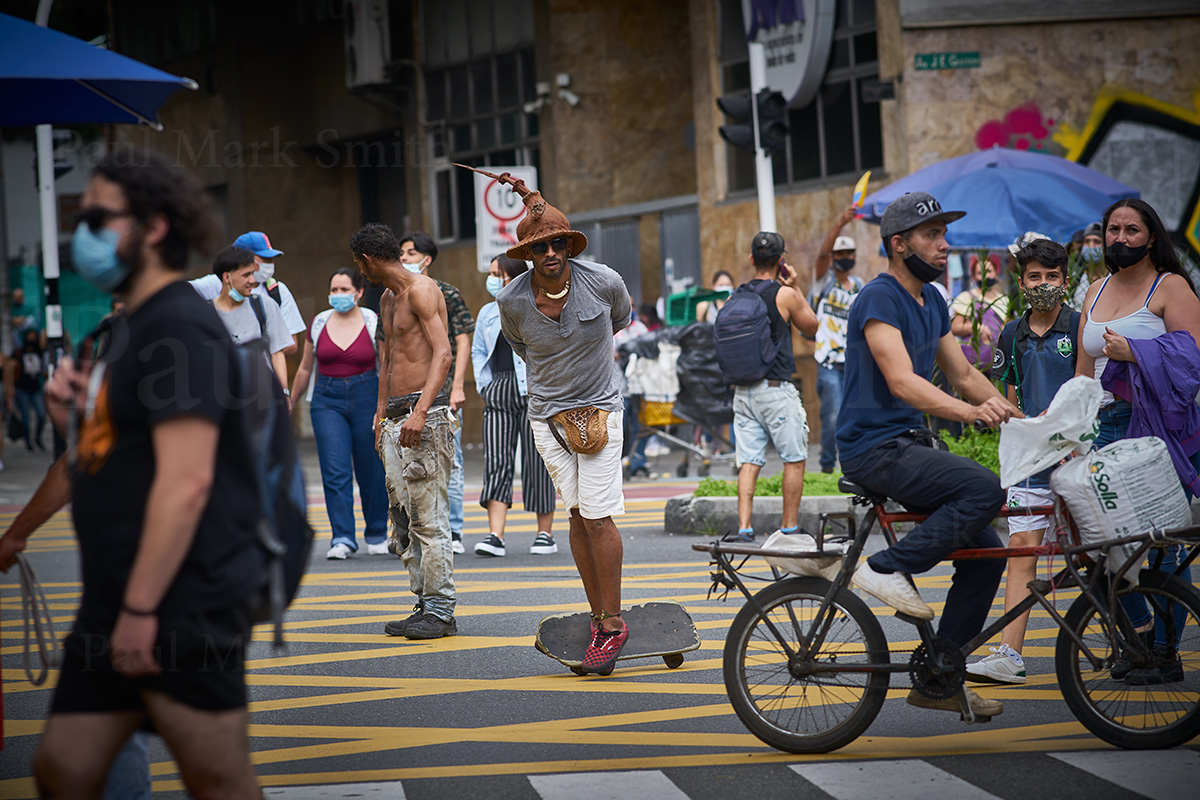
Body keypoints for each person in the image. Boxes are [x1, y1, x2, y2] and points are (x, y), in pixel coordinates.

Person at [33, 148, 261, 798]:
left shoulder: (178, 330)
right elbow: (114, 455)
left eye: (101, 216)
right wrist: (67, 416)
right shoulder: (128, 330)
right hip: (114, 599)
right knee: (64, 768)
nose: (86, 230)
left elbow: (187, 480)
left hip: (178, 602)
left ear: (154, 226)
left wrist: (140, 609)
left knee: (217, 777)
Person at [837, 191, 1022, 719]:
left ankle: (941, 675)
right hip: (873, 448)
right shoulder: (880, 297)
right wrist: (968, 415)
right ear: (899, 244)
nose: (945, 245)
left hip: (907, 445)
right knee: (983, 488)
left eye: (944, 234)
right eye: (932, 235)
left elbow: (963, 374)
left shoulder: (934, 300)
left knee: (986, 555)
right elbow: (900, 381)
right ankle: (887, 567)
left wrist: (1019, 415)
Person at [479, 168, 633, 675]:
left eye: (557, 245)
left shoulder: (605, 282)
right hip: (546, 416)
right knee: (574, 515)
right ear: (527, 255)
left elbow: (619, 321)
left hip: (602, 411)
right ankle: (595, 615)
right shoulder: (511, 301)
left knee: (597, 516)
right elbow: (521, 348)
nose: (549, 254)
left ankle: (612, 625)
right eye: (540, 248)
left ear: (569, 247)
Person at [1075, 197, 1200, 683]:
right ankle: (1138, 638)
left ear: (1151, 237)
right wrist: (1066, 430)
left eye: (1131, 229)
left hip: (1155, 433)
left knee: (1160, 546)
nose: (1120, 238)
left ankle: (1166, 656)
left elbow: (1192, 365)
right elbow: (1082, 374)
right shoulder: (1093, 290)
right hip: (1102, 429)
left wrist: (1136, 351)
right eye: (1112, 229)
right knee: (1104, 546)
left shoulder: (1172, 287)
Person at [967, 239, 1079, 685]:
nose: (1044, 284)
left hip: (1076, 459)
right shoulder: (1010, 333)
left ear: (1065, 281)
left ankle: (1135, 638)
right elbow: (1006, 399)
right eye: (1035, 277)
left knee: (1098, 557)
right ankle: (1009, 654)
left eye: (1052, 277)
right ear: (1021, 282)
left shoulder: (1078, 326)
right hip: (1030, 463)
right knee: (1021, 554)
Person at [351, 223, 456, 640]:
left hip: (423, 417)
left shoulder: (422, 291)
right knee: (403, 519)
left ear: (369, 259)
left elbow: (443, 353)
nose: (361, 271)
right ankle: (425, 604)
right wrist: (381, 416)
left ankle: (442, 611)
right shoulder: (388, 298)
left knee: (429, 519)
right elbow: (388, 361)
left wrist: (420, 410)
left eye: (360, 263)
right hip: (394, 419)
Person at [386, 231, 475, 555]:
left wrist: (458, 385)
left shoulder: (445, 292)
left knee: (451, 463)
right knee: (405, 469)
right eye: (402, 252)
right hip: (405, 398)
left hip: (441, 393)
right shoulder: (393, 296)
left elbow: (461, 340)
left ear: (427, 258)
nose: (405, 257)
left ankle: (453, 530)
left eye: (411, 252)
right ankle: (409, 531)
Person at [290, 267, 388, 560]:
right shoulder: (319, 322)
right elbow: (306, 367)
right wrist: (290, 401)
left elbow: (386, 367)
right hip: (327, 400)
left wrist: (383, 407)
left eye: (345, 290)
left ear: (359, 293)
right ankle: (342, 537)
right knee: (335, 471)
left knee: (371, 468)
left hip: (366, 396)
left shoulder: (373, 321)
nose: (338, 295)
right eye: (334, 290)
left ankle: (377, 533)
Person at [731, 232, 818, 541]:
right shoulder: (784, 294)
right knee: (793, 458)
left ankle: (744, 527)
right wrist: (794, 285)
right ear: (781, 260)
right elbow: (812, 326)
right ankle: (789, 526)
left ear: (752, 259)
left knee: (749, 460)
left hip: (743, 392)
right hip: (776, 389)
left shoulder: (737, 295)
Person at [471, 253, 558, 557]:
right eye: (492, 273)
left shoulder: (536, 305)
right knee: (497, 461)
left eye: (500, 274)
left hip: (535, 390)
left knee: (538, 462)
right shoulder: (486, 312)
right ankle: (496, 535)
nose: (493, 279)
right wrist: (486, 386)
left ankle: (545, 534)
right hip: (499, 388)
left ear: (515, 277)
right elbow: (478, 353)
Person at [809, 206, 864, 474]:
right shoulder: (823, 283)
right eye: (839, 254)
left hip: (854, 362)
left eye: (848, 253)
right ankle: (828, 468)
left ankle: (853, 467)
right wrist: (840, 223)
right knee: (832, 416)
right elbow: (821, 255)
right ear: (833, 257)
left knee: (857, 416)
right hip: (828, 362)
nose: (844, 258)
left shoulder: (860, 286)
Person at [189, 231, 306, 356]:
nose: (270, 264)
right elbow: (179, 291)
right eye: (265, 259)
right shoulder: (218, 282)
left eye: (271, 259)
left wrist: (254, 353)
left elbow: (290, 345)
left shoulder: (276, 291)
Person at [208, 245, 291, 393]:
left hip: (260, 396)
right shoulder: (207, 312)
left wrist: (284, 393)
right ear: (227, 277)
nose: (253, 280)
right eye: (246, 275)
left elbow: (278, 353)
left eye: (253, 274)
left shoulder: (264, 305)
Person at [951, 250, 1011, 371]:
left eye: (989, 271)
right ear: (974, 276)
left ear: (996, 273)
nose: (985, 276)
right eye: (980, 272)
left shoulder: (1004, 301)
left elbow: (1008, 327)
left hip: (997, 364)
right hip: (972, 365)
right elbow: (955, 327)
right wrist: (977, 328)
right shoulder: (967, 298)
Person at [13, 328, 48, 452]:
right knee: (26, 418)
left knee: (41, 415)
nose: (32, 339)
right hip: (22, 389)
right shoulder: (19, 351)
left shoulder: (39, 351)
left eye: (34, 336)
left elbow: (44, 339)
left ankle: (38, 437)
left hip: (35, 388)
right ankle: (28, 442)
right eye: (29, 336)